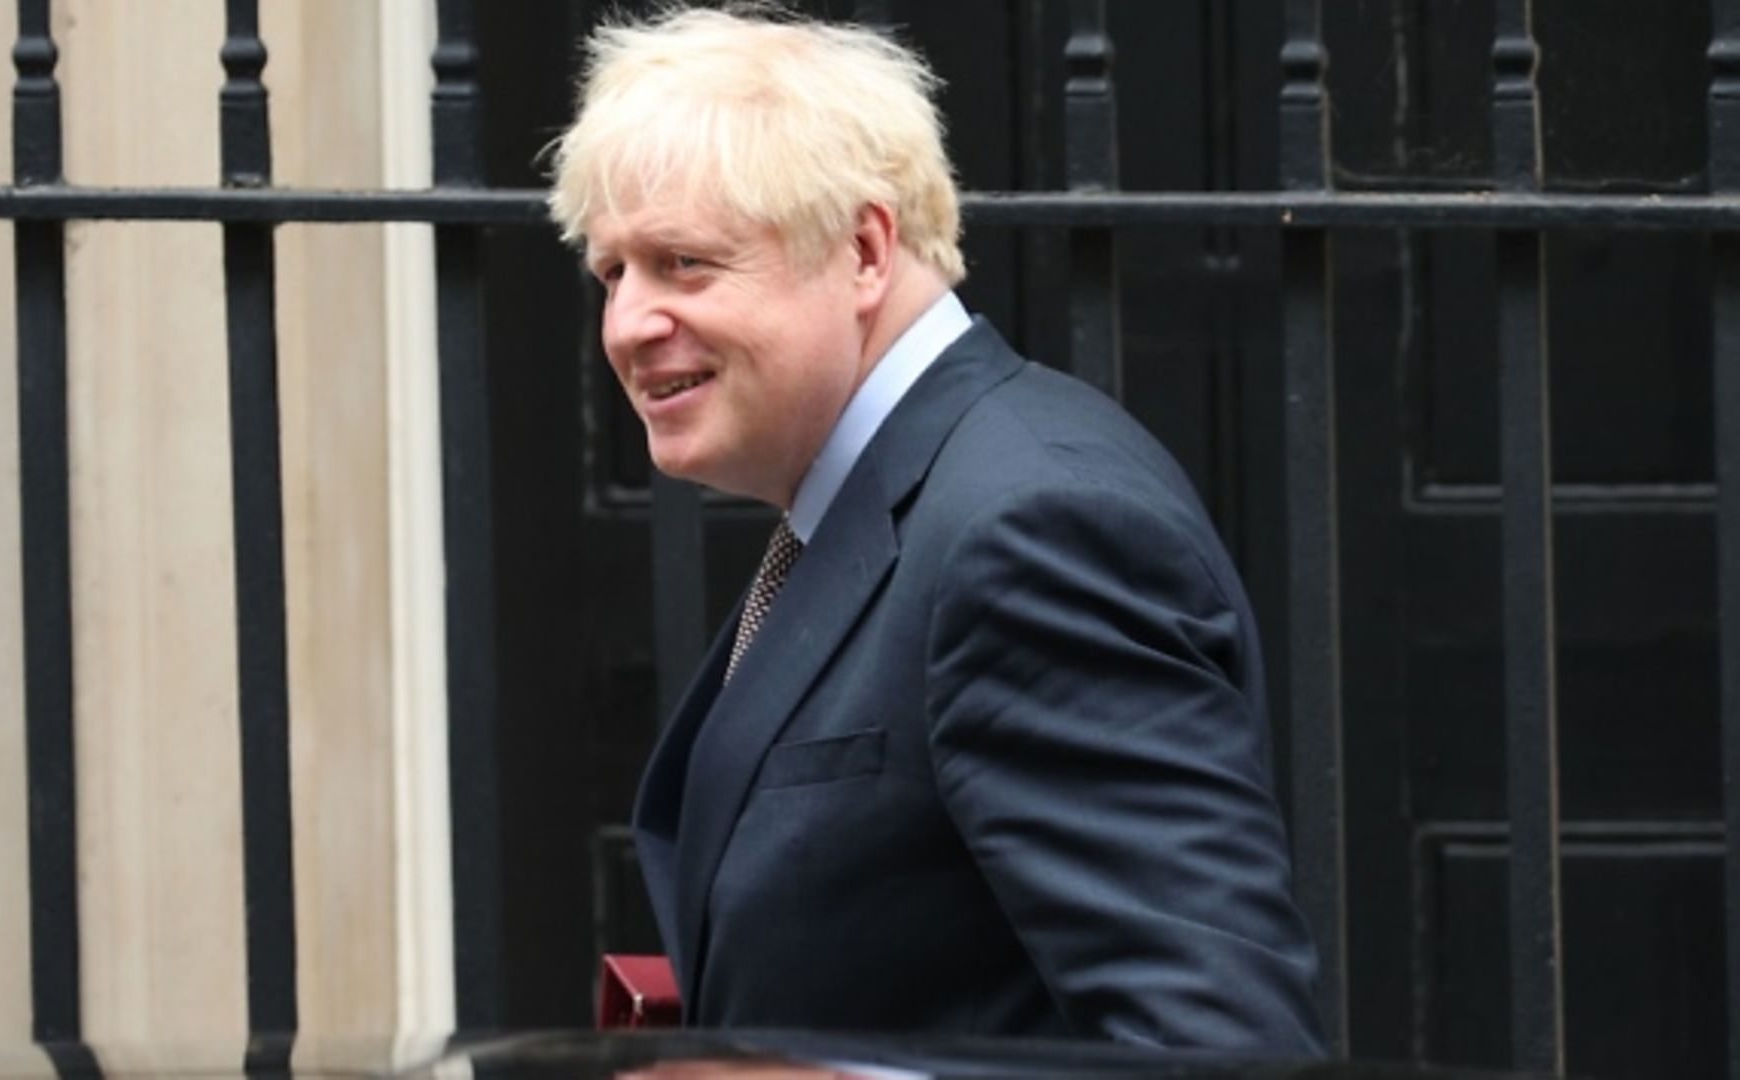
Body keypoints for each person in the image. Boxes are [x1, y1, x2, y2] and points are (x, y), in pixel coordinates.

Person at [545, 4, 1324, 1054]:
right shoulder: (886, 497)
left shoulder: (1032, 529)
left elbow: (1222, 1049)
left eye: (685, 263)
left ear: (864, 250)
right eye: (613, 272)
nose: (631, 322)